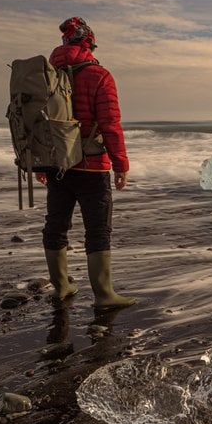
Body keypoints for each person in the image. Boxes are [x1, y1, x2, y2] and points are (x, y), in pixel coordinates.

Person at [37, 17, 135, 310]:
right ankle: (104, 295)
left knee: (55, 225)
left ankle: (62, 286)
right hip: (92, 166)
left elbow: (38, 124)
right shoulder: (99, 76)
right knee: (97, 229)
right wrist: (121, 164)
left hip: (57, 165)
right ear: (89, 44)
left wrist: (42, 165)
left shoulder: (48, 75)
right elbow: (110, 123)